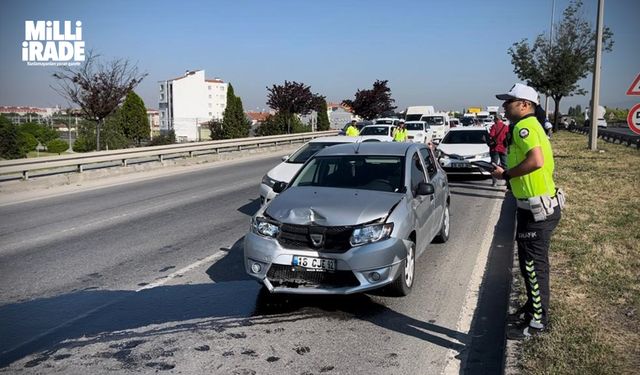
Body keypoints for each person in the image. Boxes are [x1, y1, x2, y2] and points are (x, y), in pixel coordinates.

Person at [491, 83, 563, 340]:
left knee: (533, 266)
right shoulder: (530, 126)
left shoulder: (524, 127)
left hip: (537, 209)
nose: (504, 106)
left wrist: (506, 174)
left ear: (525, 104)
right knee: (528, 264)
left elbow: (536, 161)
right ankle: (532, 309)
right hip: (533, 207)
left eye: (508, 102)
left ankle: (538, 321)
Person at [488, 115, 509, 186]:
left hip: (495, 148)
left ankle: (494, 182)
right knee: (505, 165)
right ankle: (507, 181)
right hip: (503, 148)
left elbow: (491, 135)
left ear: (497, 119)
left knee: (494, 165)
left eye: (494, 119)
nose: (493, 120)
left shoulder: (494, 126)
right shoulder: (506, 127)